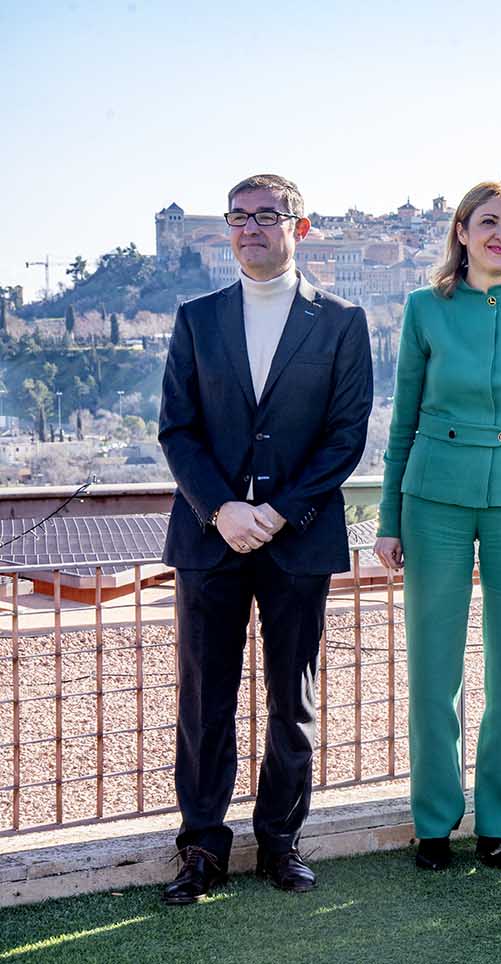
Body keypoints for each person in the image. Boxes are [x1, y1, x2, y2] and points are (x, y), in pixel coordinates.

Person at [158, 174, 373, 904]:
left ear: (300, 227)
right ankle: (202, 849)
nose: (251, 228)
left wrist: (277, 512)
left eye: (267, 216)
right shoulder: (195, 317)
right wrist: (222, 508)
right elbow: (177, 430)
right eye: (239, 217)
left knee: (293, 698)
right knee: (204, 699)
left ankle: (281, 842)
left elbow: (346, 437)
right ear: (227, 230)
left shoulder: (342, 321)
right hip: (209, 537)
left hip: (298, 536)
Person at [373, 181, 501, 872]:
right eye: (489, 223)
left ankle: (498, 823)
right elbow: (402, 419)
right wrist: (389, 518)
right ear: (461, 232)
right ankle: (433, 822)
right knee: (434, 667)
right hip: (435, 500)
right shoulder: (425, 310)